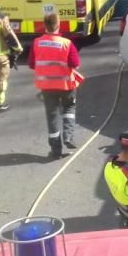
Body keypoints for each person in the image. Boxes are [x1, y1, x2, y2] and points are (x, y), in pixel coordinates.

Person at [29, 11, 82, 159]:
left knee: (51, 117)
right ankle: (68, 137)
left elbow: (32, 64)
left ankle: (55, 150)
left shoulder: (37, 43)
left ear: (44, 25)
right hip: (66, 85)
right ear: (58, 25)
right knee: (69, 108)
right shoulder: (66, 43)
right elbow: (75, 64)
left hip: (46, 87)